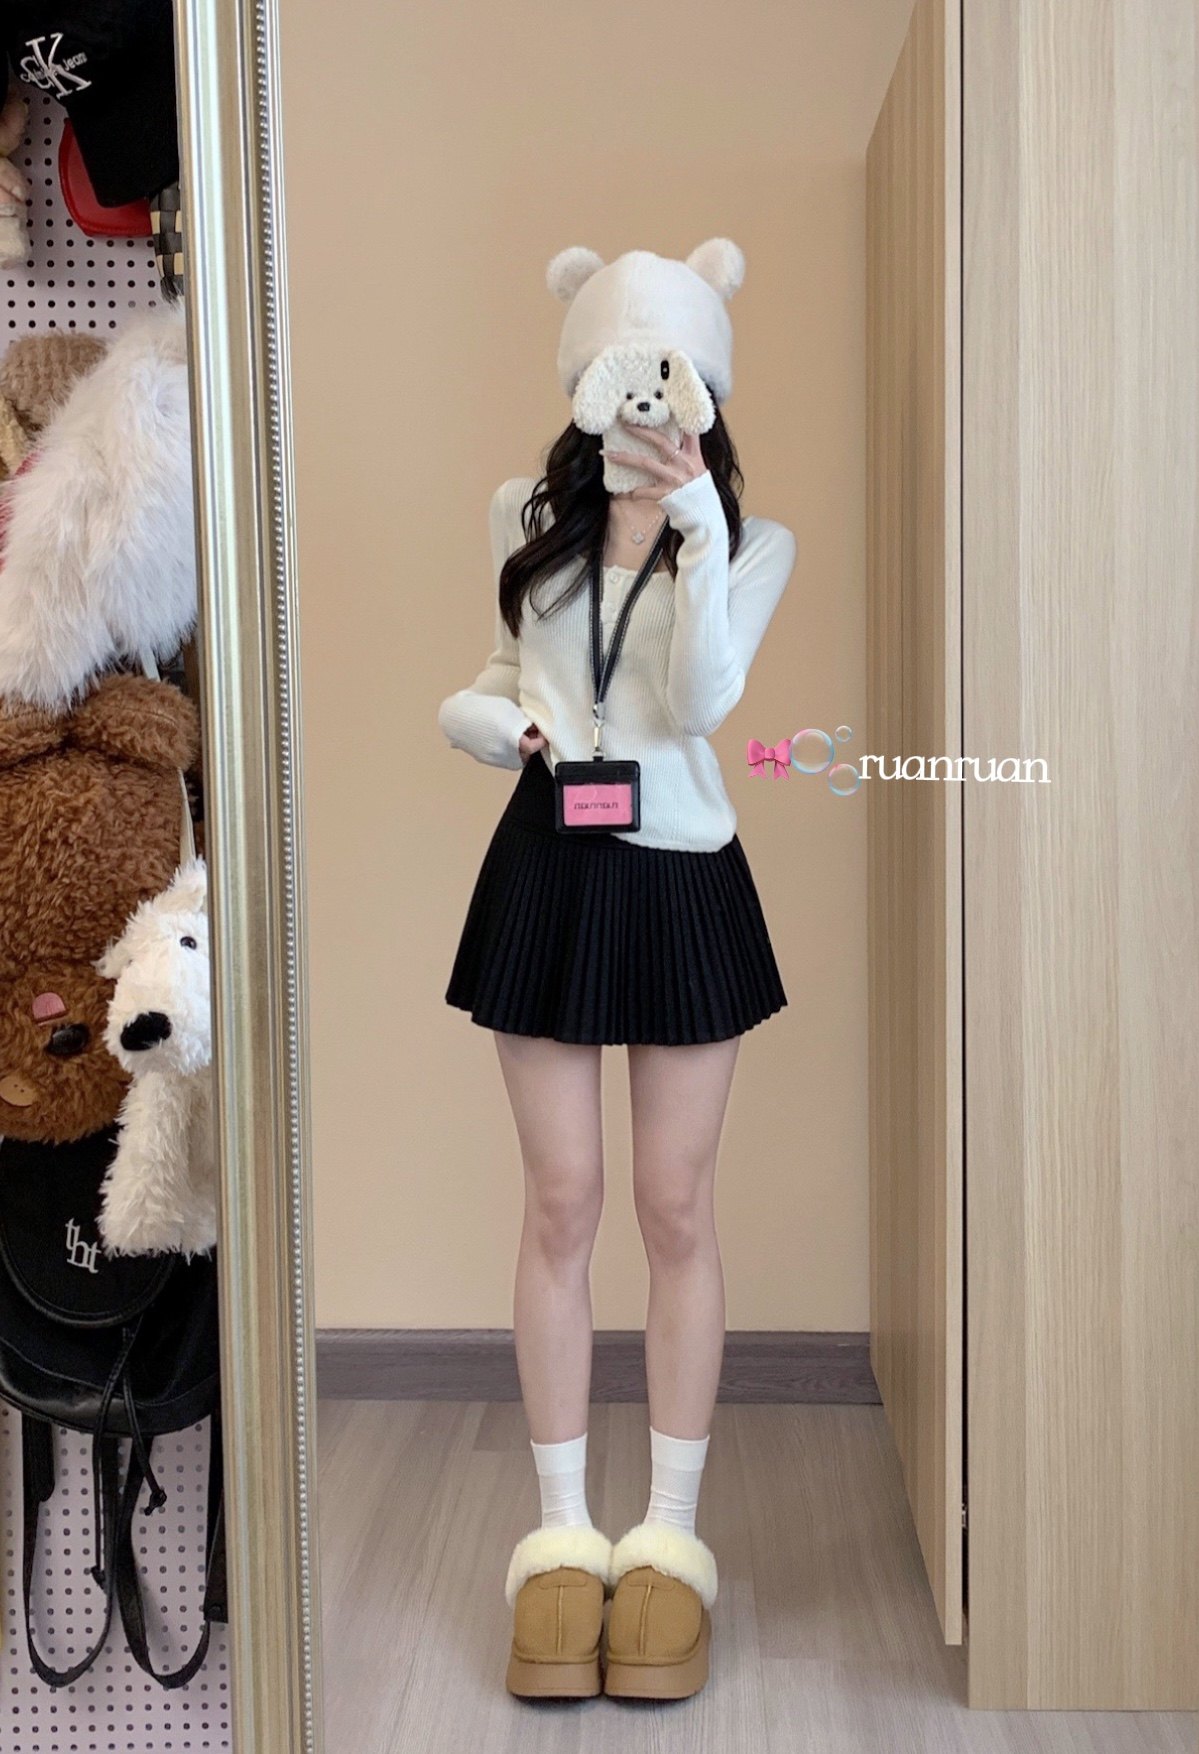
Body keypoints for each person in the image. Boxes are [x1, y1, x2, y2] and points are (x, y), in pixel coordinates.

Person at [437, 239, 796, 1702]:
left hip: (685, 876)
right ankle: (562, 1536)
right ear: (586, 386)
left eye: (676, 379)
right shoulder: (523, 522)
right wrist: (489, 721)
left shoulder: (751, 543)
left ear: (705, 390)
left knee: (674, 1205)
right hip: (550, 865)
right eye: (624, 376)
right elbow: (508, 682)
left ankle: (670, 1541)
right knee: (563, 1201)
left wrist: (694, 519)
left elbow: (701, 701)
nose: (650, 403)